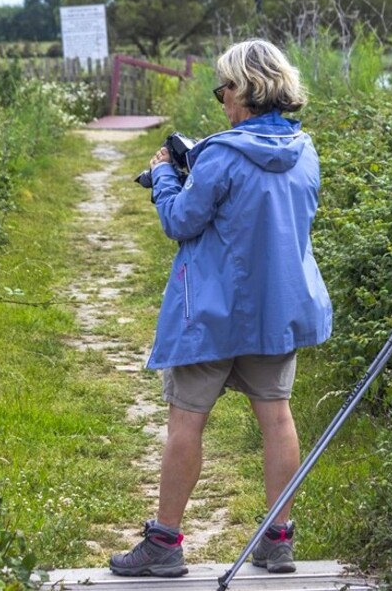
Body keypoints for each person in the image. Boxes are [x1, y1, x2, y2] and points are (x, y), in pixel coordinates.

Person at [110, 39, 332, 578]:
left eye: (223, 89)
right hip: (277, 309)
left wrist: (164, 174)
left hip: (211, 310)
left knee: (187, 421)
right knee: (277, 417)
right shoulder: (306, 151)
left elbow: (180, 222)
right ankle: (278, 539)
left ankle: (164, 544)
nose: (221, 101)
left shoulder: (221, 153)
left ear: (246, 89)